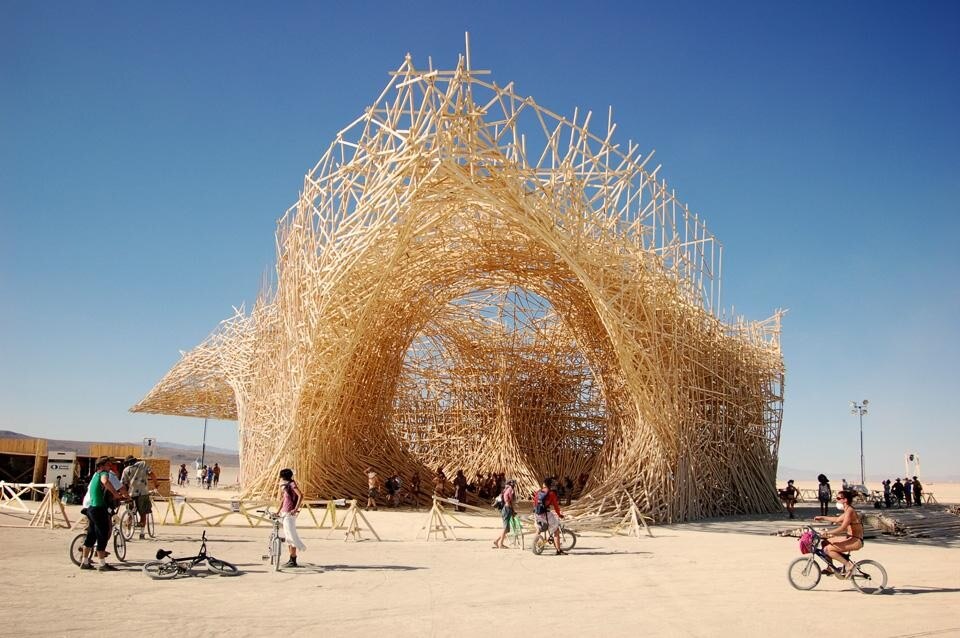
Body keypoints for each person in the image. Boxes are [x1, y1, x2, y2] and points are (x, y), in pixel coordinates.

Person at [80, 456, 125, 571]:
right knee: (103, 534)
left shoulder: (95, 475)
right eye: (108, 465)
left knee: (91, 534)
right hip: (99, 508)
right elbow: (105, 482)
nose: (110, 467)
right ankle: (102, 564)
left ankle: (85, 562)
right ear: (101, 466)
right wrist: (115, 494)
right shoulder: (103, 473)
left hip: (91, 508)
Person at [814, 489, 864, 577]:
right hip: (849, 538)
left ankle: (849, 565)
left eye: (838, 498)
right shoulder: (847, 510)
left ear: (845, 500)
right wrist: (822, 517)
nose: (836, 500)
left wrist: (828, 532)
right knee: (825, 542)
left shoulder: (850, 511)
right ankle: (830, 567)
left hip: (856, 540)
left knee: (827, 549)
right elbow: (837, 520)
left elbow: (842, 527)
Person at [120, 454, 157, 540]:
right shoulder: (143, 464)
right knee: (143, 513)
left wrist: (124, 494)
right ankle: (142, 533)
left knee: (130, 513)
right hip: (143, 493)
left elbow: (123, 483)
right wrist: (156, 484)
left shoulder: (126, 470)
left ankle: (128, 532)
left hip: (131, 494)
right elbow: (151, 474)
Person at [276, 468, 305, 568]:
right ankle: (291, 559)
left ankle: (293, 559)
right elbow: (284, 499)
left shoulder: (291, 484)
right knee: (288, 537)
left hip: (289, 514)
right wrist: (278, 511)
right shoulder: (285, 486)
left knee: (291, 536)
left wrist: (295, 508)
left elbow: (301, 495)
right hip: (284, 513)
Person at [533, 477, 566, 555]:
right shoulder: (551, 493)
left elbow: (534, 503)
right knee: (556, 531)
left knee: (539, 529)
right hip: (546, 515)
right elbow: (556, 506)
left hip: (537, 514)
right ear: (551, 485)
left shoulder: (538, 492)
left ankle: (534, 544)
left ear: (544, 484)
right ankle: (558, 550)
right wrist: (559, 514)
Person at [493, 478, 516, 549]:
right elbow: (510, 501)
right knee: (505, 528)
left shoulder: (505, 489)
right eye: (513, 483)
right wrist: (513, 511)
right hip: (507, 509)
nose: (514, 485)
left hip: (504, 509)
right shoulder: (510, 490)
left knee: (507, 529)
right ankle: (501, 544)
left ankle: (497, 541)